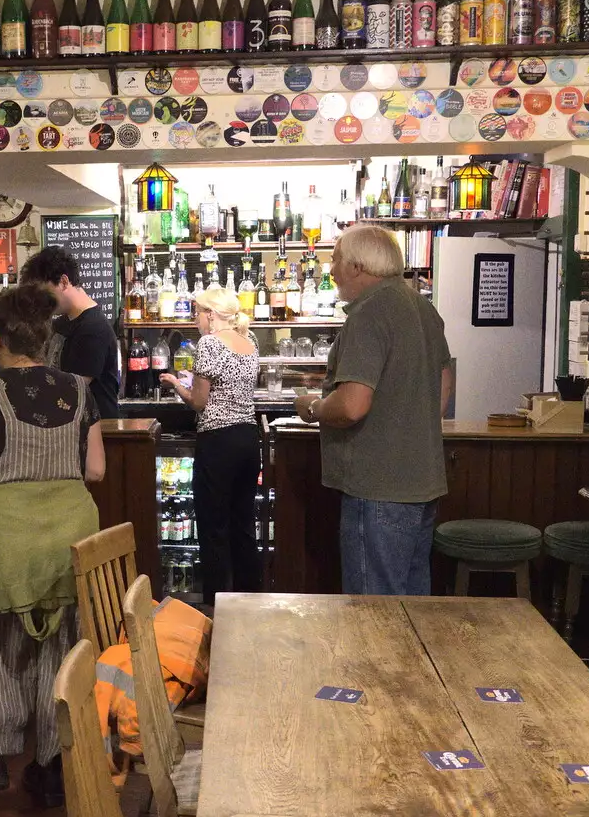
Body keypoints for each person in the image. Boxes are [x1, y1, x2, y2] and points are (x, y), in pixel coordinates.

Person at [0, 285, 104, 807]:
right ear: (46, 339)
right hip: (71, 538)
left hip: (5, 540)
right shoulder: (80, 390)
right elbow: (95, 469)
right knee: (58, 646)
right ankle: (50, 765)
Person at [295, 225, 453, 596]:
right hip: (422, 482)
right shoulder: (423, 307)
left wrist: (314, 407)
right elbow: (444, 384)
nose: (330, 269)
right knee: (412, 611)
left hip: (378, 487)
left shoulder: (369, 314)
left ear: (357, 266)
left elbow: (352, 406)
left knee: (374, 614)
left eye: (335, 259)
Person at [159, 286, 263, 604]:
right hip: (248, 439)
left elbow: (200, 402)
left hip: (219, 441)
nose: (195, 321)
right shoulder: (250, 343)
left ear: (210, 315)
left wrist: (177, 384)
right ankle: (249, 602)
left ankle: (217, 607)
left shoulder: (209, 344)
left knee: (213, 528)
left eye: (197, 314)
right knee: (243, 526)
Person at [20, 245, 121, 418]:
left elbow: (72, 390)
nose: (41, 301)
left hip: (96, 429)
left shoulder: (93, 329)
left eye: (44, 293)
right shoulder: (61, 323)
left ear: (64, 282)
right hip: (70, 428)